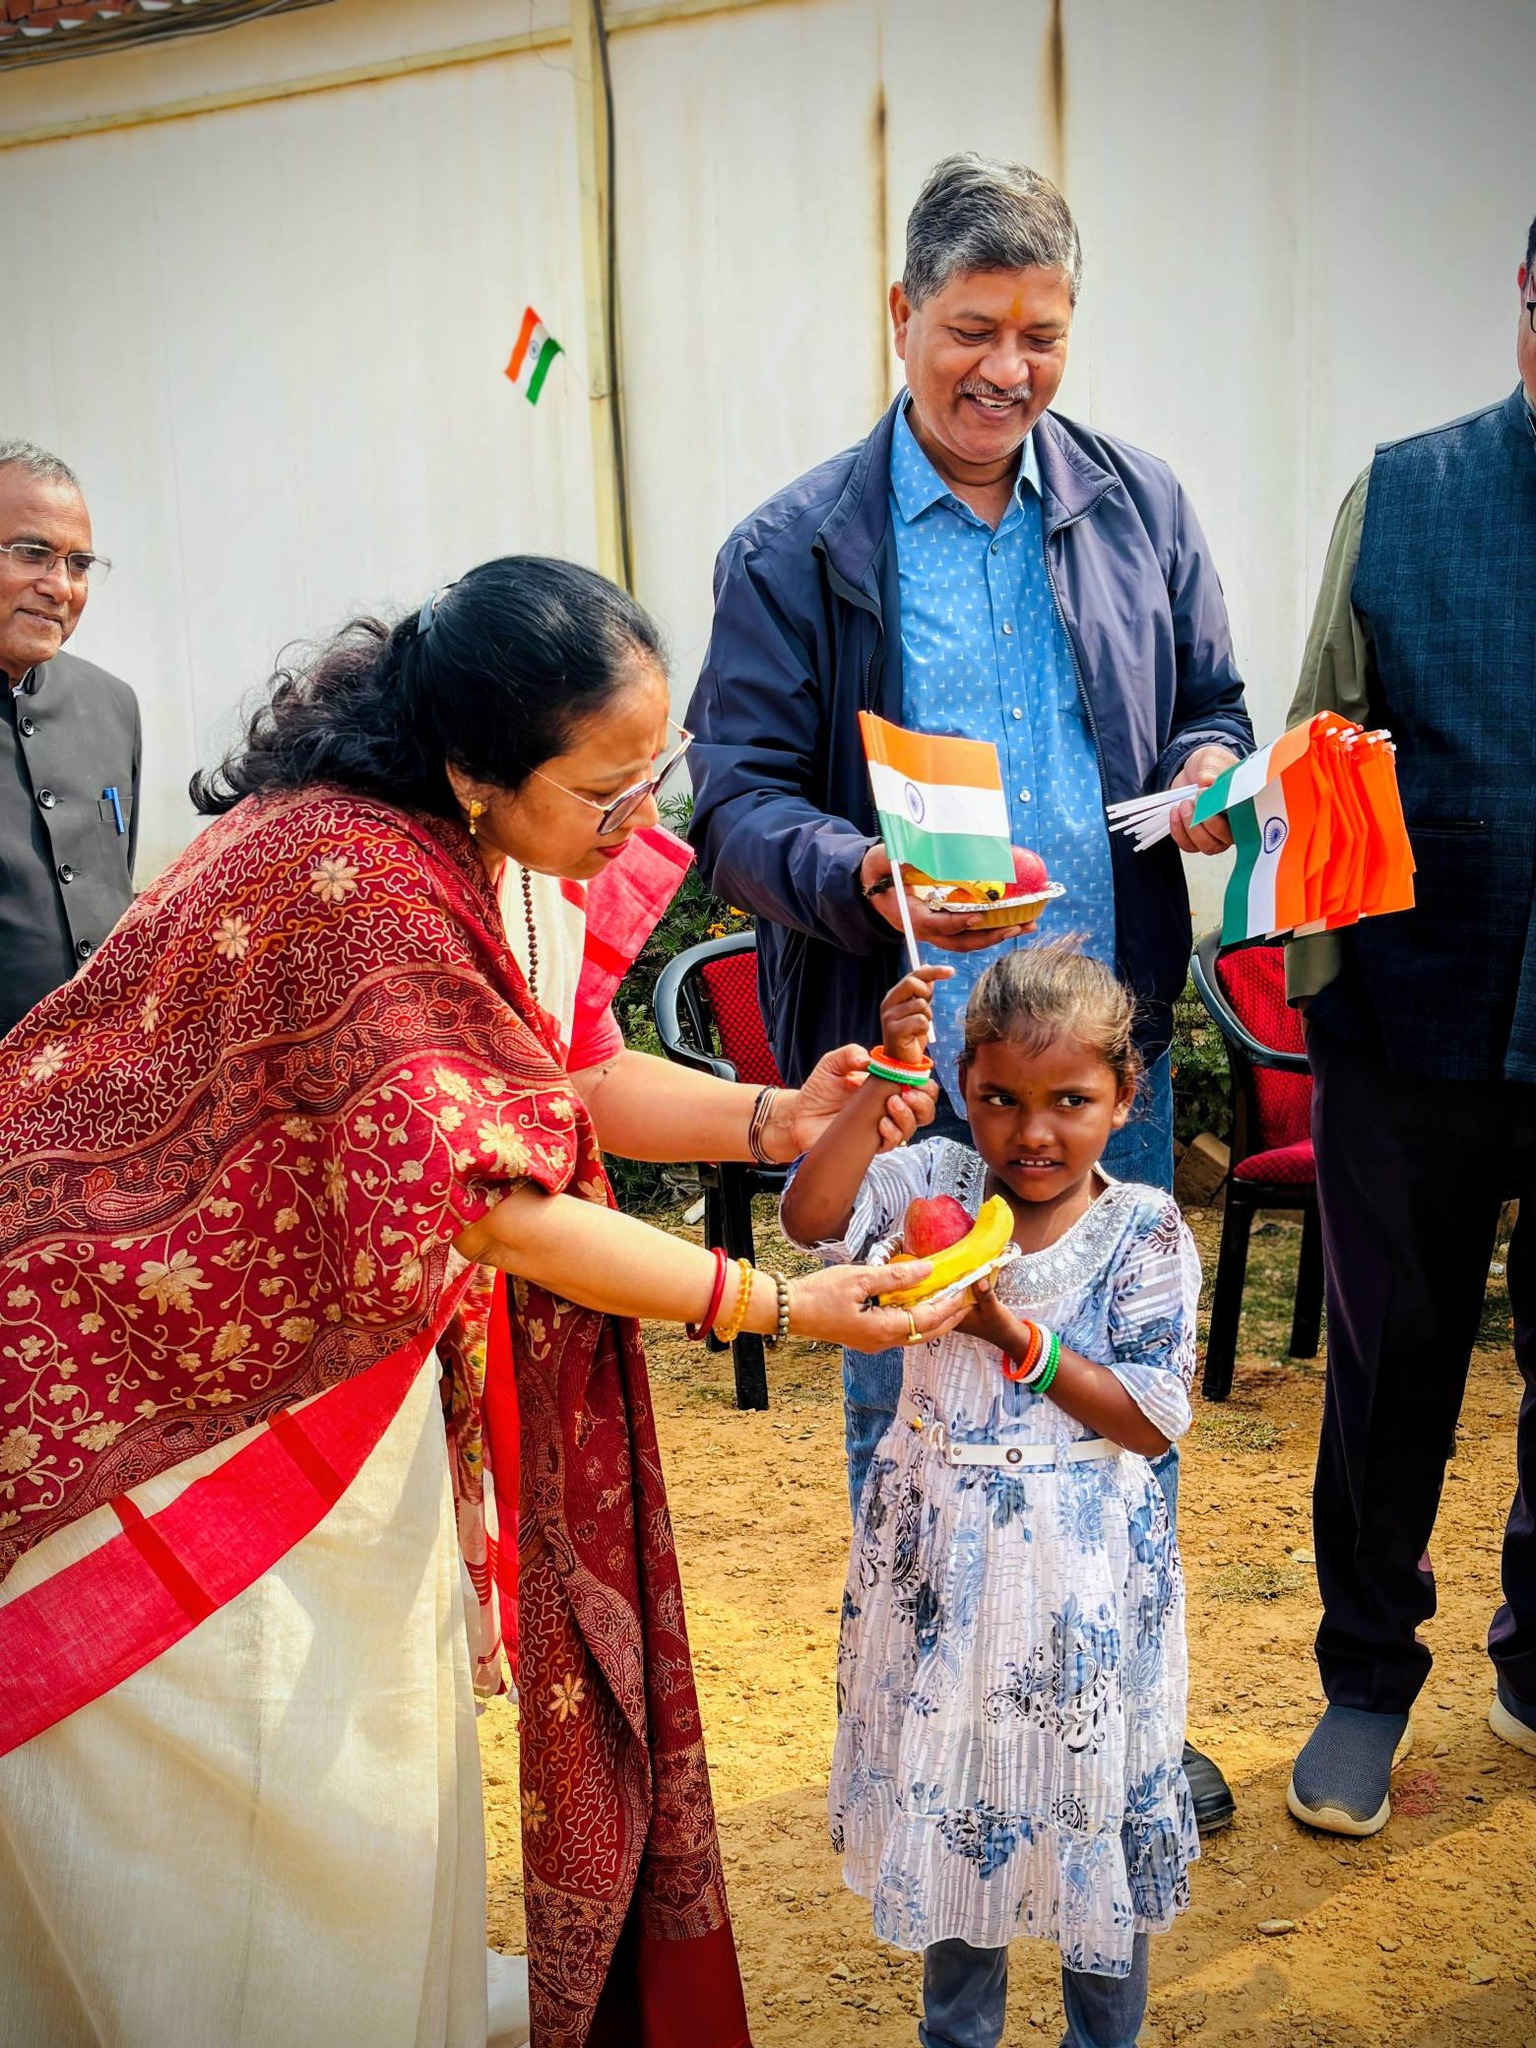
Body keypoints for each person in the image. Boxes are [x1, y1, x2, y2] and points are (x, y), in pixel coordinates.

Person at [0, 556, 969, 2048]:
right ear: (475, 766)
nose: (637, 823)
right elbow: (493, 1206)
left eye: (657, 777)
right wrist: (776, 1304)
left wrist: (778, 1117)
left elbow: (559, 1077)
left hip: (298, 1359)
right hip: (154, 1387)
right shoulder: (360, 885)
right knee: (259, 1793)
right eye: (605, 794)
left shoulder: (464, 838)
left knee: (364, 1760)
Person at [688, 151, 1250, 1830]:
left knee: (1113, 1394)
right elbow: (732, 804)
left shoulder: (1140, 505)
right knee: (921, 1409)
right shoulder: (797, 546)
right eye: (972, 330)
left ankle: (1119, 1730)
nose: (1007, 369)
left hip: (1096, 1062)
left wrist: (1209, 771)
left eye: (1042, 335)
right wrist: (863, 873)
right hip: (918, 1068)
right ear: (902, 316)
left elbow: (1213, 701)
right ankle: (928, 1744)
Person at [781, 943, 1198, 2048]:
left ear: (1124, 1097)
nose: (1033, 1131)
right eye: (1002, 1098)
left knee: (1089, 1804)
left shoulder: (1146, 1229)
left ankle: (1101, 2036)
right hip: (941, 1569)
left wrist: (1008, 1331)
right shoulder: (933, 1185)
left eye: (1072, 1100)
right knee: (962, 1797)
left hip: (1079, 1584)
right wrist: (879, 1081)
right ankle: (956, 2034)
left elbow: (1151, 1417)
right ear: (963, 1087)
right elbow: (811, 1218)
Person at [1284, 214, 1536, 1837]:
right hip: (1405, 1020)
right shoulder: (1405, 490)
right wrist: (1329, 998)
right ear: (1524, 298)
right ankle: (1366, 1679)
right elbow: (1323, 725)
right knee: (1393, 1372)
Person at [0, 439, 140, 1037]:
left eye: (79, 564)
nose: (60, 586)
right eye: (33, 554)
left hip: (108, 1071)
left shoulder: (113, 705)